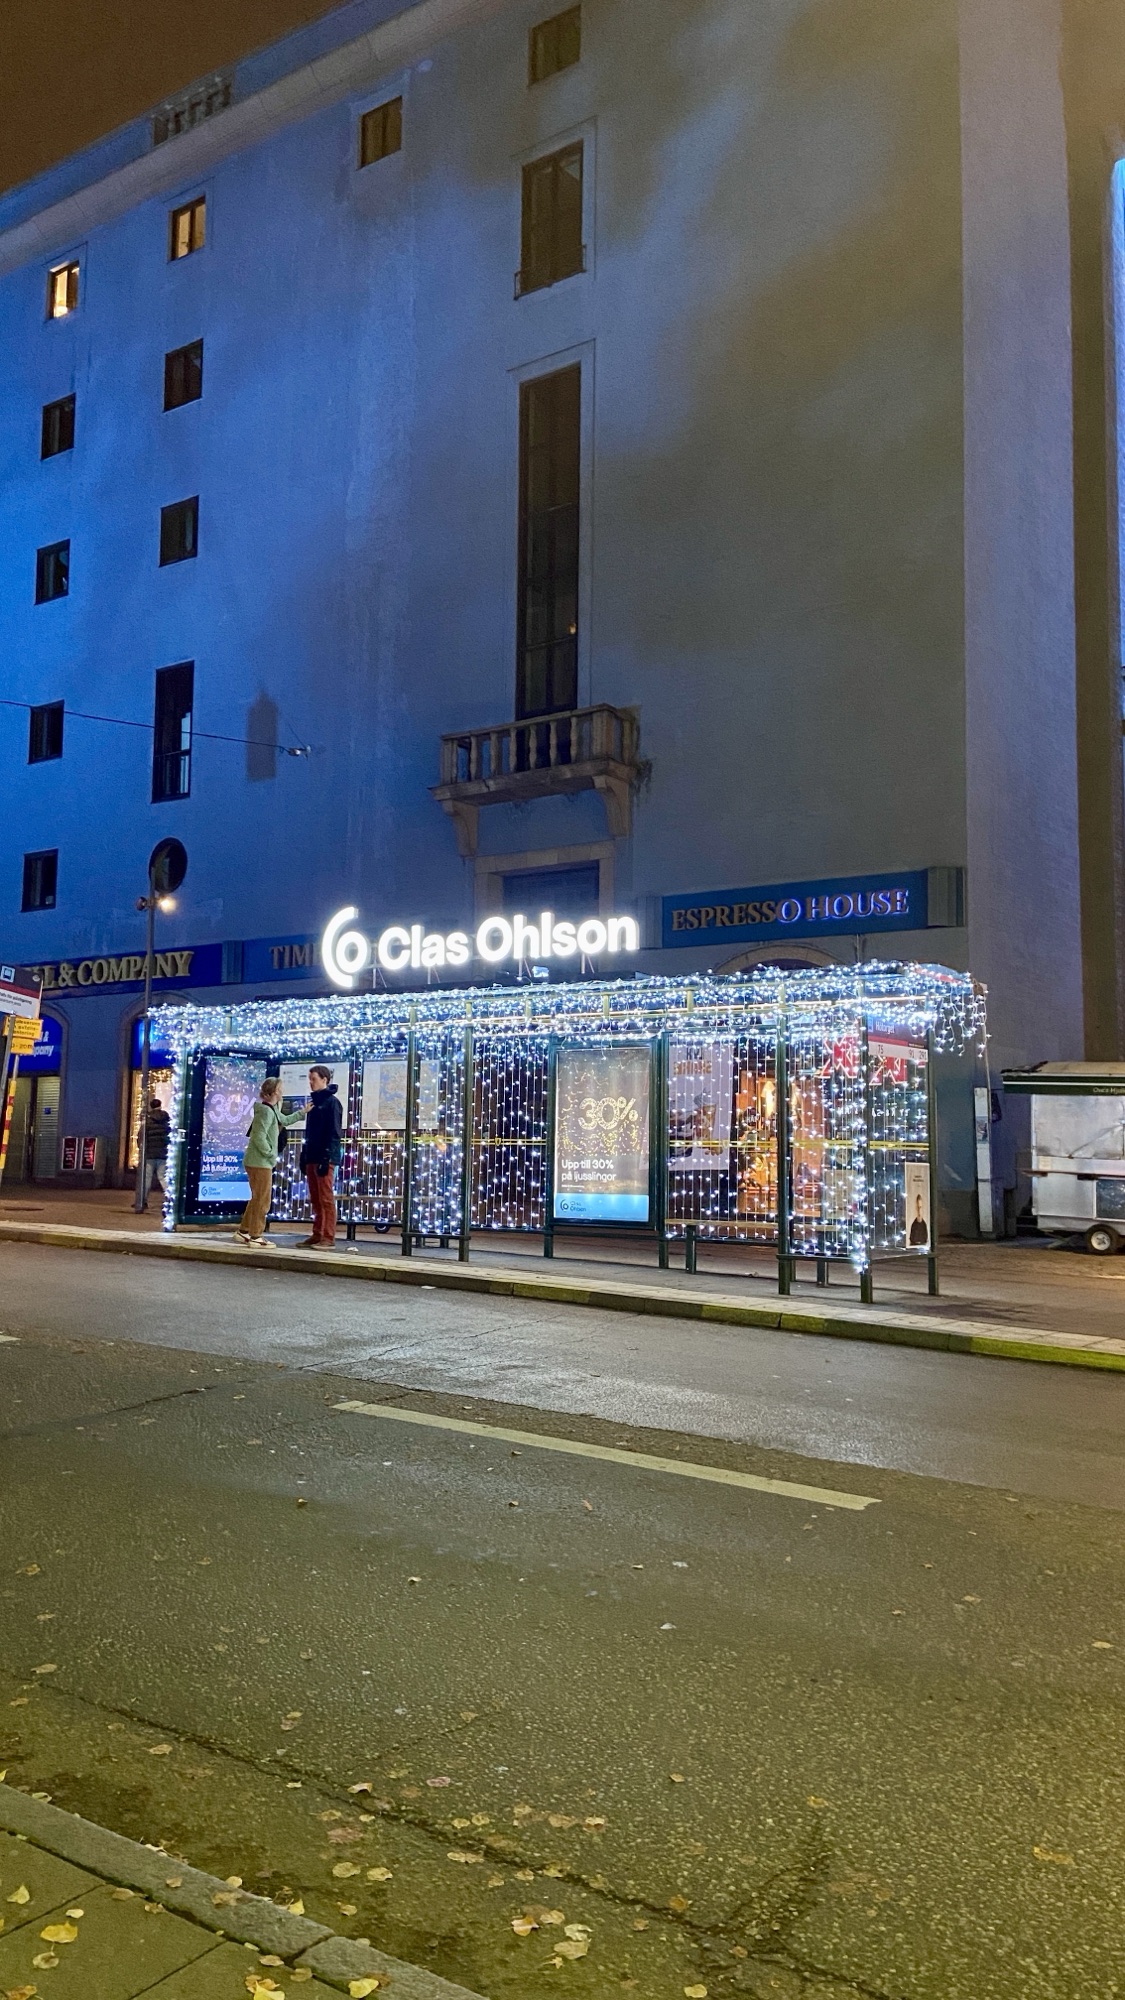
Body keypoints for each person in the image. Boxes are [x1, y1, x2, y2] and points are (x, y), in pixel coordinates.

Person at [235, 1077, 303, 1245]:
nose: (282, 1092)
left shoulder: (271, 1109)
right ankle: (256, 1236)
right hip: (260, 1162)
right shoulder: (266, 1111)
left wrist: (303, 1112)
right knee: (263, 1200)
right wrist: (271, 1153)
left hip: (257, 1160)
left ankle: (244, 1230)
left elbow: (284, 1120)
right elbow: (258, 1136)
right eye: (279, 1089)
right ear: (272, 1093)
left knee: (257, 1197)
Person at [298, 1064, 343, 1247]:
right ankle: (318, 1233)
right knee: (316, 1197)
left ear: (324, 1080)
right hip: (313, 1155)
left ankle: (328, 1236)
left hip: (324, 1156)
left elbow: (334, 1132)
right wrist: (305, 1154)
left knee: (325, 1197)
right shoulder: (315, 1103)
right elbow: (310, 1132)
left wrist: (327, 1156)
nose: (311, 1082)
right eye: (310, 1079)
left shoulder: (331, 1103)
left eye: (314, 1079)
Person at [137, 1092, 170, 1211]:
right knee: (163, 1177)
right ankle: (170, 1198)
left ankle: (143, 1201)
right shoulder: (166, 1119)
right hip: (163, 1153)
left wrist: (141, 1148)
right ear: (160, 1105)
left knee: (147, 1178)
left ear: (151, 1106)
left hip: (149, 1153)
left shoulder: (147, 1119)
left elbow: (141, 1136)